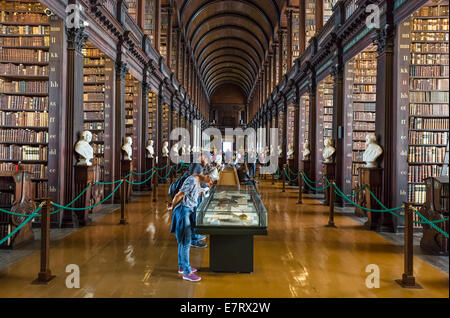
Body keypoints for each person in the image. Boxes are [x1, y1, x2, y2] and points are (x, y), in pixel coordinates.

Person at [168, 166, 218, 282]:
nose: (211, 182)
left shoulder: (197, 180)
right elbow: (178, 196)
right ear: (207, 176)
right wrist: (173, 209)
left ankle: (182, 266)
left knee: (183, 241)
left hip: (188, 210)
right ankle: (187, 272)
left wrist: (201, 191)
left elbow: (193, 193)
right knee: (186, 242)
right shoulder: (192, 180)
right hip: (183, 211)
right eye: (211, 180)